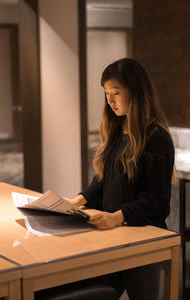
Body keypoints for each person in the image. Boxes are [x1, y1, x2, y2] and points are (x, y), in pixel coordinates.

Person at [67, 58, 175, 300]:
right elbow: (104, 182)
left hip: (142, 238)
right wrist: (76, 201)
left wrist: (117, 217)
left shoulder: (156, 137)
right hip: (113, 236)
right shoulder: (117, 130)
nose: (110, 101)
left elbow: (157, 202)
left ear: (136, 91)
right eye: (106, 93)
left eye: (116, 93)